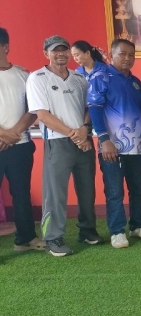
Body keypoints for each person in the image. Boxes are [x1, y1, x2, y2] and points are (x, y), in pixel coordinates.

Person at [26, 35, 102, 256]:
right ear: (46, 53)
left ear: (70, 52)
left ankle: (87, 230)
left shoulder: (79, 79)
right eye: (55, 50)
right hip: (58, 142)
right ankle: (53, 238)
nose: (61, 54)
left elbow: (89, 108)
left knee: (87, 189)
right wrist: (74, 134)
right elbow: (42, 115)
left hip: (83, 140)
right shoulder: (37, 78)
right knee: (55, 193)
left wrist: (84, 129)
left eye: (64, 50)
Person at [87, 38, 141, 248]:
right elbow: (94, 109)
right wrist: (104, 139)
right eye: (122, 54)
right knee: (115, 192)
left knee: (139, 189)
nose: (127, 58)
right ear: (111, 55)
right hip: (112, 148)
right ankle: (117, 231)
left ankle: (138, 226)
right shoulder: (101, 77)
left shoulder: (136, 82)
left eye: (131, 55)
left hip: (137, 147)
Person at [0, 27, 44, 252]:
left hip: (20, 146)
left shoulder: (24, 75)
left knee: (21, 194)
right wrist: (3, 134)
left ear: (6, 47)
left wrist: (13, 133)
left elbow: (34, 109)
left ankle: (26, 238)